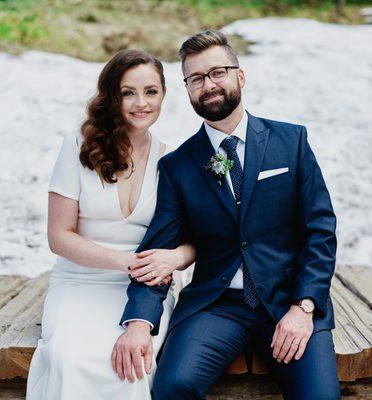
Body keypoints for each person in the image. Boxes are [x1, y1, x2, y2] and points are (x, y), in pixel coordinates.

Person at [113, 30, 341, 399]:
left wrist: (304, 306)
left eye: (218, 72)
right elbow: (157, 252)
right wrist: (139, 322)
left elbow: (320, 231)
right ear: (187, 89)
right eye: (197, 78)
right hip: (216, 306)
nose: (209, 85)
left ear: (240, 75)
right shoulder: (179, 166)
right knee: (173, 387)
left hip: (289, 300)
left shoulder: (291, 141)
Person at [26, 49, 195, 400]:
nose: (140, 103)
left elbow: (193, 240)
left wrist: (172, 260)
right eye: (127, 92)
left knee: (131, 368)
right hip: (79, 281)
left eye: (151, 91)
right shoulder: (77, 146)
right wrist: (126, 262)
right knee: (69, 359)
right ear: (111, 96)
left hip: (143, 292)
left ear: (164, 94)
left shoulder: (173, 161)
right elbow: (59, 237)